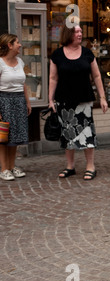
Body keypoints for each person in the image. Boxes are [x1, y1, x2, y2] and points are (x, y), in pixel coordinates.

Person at [48, 24, 108, 181]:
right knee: (68, 134)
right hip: (64, 101)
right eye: (76, 31)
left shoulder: (87, 54)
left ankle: (90, 166)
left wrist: (102, 97)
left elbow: (96, 76)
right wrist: (50, 99)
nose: (80, 34)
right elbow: (53, 78)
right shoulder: (57, 55)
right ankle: (70, 166)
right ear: (69, 34)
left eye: (81, 31)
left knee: (87, 134)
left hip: (84, 101)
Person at [0, 33, 31, 181]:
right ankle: (4, 168)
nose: (20, 45)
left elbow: (23, 84)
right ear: (9, 45)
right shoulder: (0, 63)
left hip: (19, 100)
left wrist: (27, 102)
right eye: (17, 42)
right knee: (3, 137)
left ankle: (12, 166)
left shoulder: (20, 61)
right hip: (4, 101)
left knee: (16, 136)